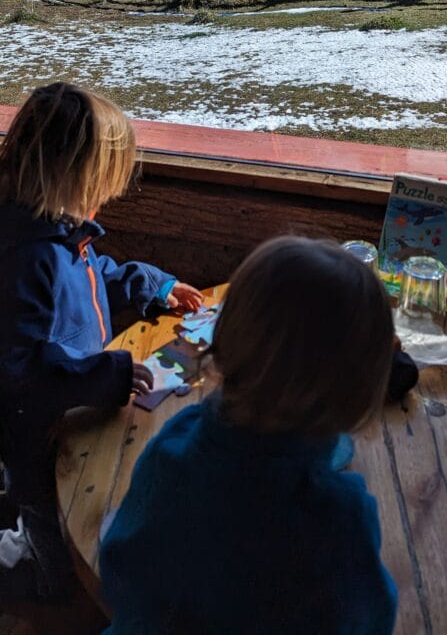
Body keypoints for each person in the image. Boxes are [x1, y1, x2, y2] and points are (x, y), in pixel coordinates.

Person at [0, 82, 202, 633]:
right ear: (69, 178)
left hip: (58, 408)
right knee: (56, 567)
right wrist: (109, 373)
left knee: (40, 480)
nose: (106, 198)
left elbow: (90, 278)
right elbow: (17, 374)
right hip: (37, 418)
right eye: (103, 185)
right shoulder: (24, 257)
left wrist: (150, 285)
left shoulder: (46, 228)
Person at [100, 235, 398, 635]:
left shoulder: (175, 445)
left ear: (222, 343)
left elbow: (121, 566)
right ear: (358, 393)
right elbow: (371, 619)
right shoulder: (338, 516)